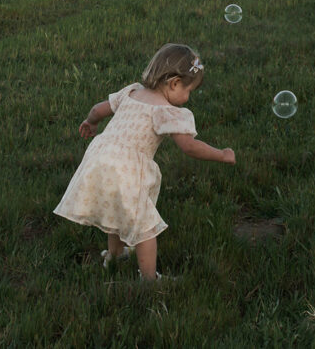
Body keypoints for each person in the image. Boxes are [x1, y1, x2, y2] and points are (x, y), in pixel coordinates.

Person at [53, 43, 236, 280]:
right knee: (146, 227)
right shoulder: (166, 111)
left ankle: (116, 255)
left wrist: (91, 123)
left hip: (99, 158)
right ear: (174, 83)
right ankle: (150, 280)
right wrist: (222, 154)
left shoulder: (132, 92)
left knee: (116, 210)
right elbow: (189, 146)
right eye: (189, 90)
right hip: (127, 170)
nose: (188, 97)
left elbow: (98, 110)